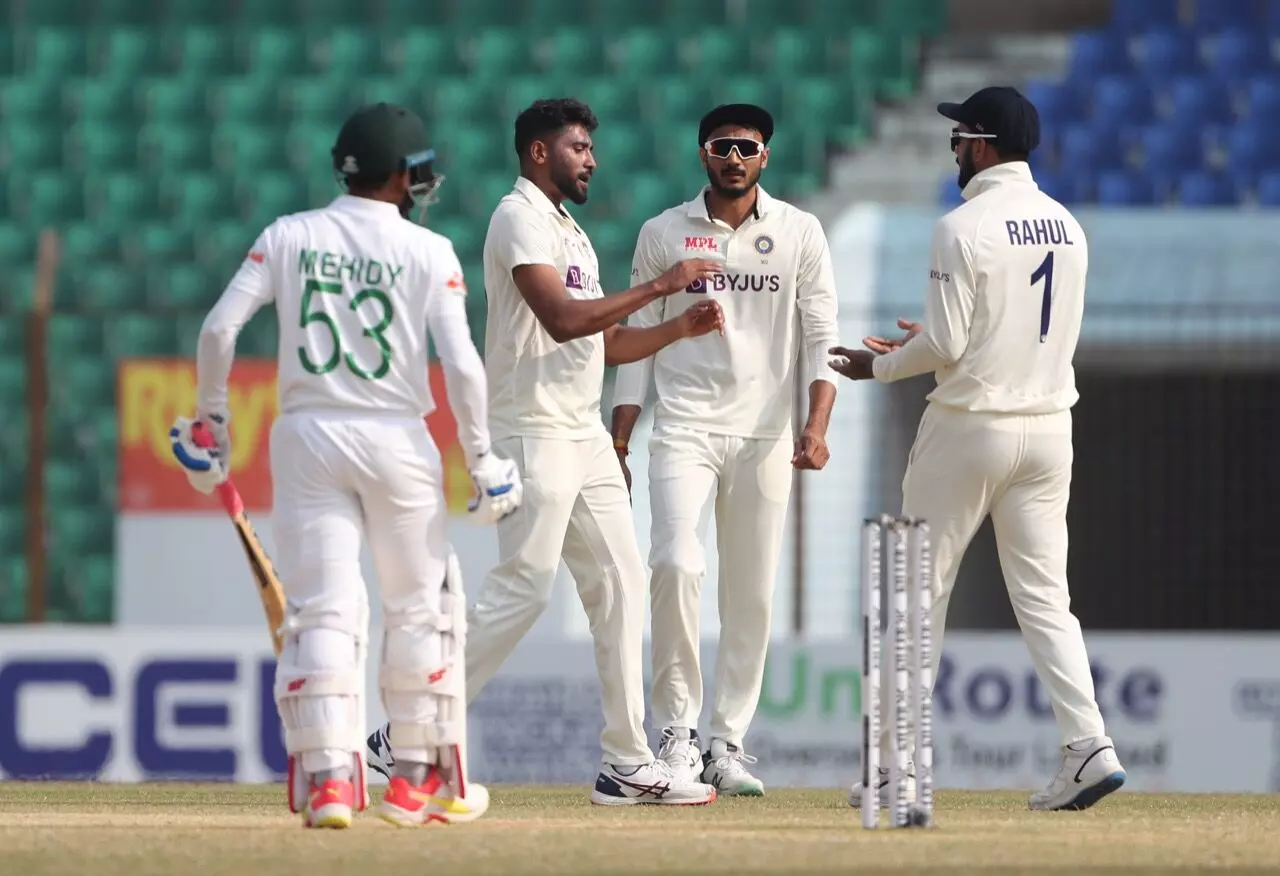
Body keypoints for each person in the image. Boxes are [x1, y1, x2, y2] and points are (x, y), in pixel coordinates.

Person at [168, 103, 523, 829]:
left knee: (322, 609)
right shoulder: (428, 250)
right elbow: (461, 365)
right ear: (398, 175)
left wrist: (212, 422)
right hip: (397, 438)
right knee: (420, 606)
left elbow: (219, 329)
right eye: (416, 172)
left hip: (307, 437)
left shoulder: (289, 234)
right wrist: (482, 457)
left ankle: (330, 781)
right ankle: (416, 781)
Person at [369, 98, 727, 805]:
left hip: (582, 431)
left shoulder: (571, 231)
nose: (592, 159)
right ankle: (404, 731)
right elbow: (562, 321)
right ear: (540, 152)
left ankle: (625, 762)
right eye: (578, 147)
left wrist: (676, 328)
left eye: (591, 147)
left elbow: (604, 342)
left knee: (622, 585)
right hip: (531, 428)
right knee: (525, 588)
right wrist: (661, 285)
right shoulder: (517, 218)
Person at [832, 86, 1126, 812]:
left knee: (913, 593)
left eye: (959, 139)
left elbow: (946, 345)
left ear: (983, 144)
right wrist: (934, 340)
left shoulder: (961, 226)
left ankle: (895, 769)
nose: (955, 152)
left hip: (971, 425)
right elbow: (1003, 329)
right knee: (1047, 599)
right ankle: (1089, 745)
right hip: (1048, 428)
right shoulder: (1068, 226)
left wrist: (880, 366)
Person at [609, 103, 840, 796]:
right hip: (684, 424)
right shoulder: (663, 231)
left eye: (747, 147)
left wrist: (816, 424)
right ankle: (678, 734)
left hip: (764, 434)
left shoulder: (799, 230)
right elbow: (637, 336)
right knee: (675, 563)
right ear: (703, 154)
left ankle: (727, 742)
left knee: (751, 594)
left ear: (764, 156)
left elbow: (821, 336)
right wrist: (620, 434)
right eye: (722, 146)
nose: (734, 158)